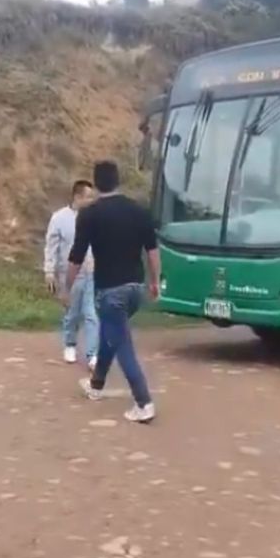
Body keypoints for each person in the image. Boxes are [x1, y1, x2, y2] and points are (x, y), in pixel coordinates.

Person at [65, 161, 159, 424]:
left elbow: (76, 257)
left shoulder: (90, 214)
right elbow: (153, 250)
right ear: (118, 181)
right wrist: (155, 281)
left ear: (95, 185)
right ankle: (96, 385)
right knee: (112, 333)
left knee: (121, 343)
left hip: (110, 291)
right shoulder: (139, 211)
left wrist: (67, 288)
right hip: (135, 290)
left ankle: (144, 403)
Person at [44, 180, 98, 369]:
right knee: (72, 313)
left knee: (91, 314)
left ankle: (92, 354)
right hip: (69, 273)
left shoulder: (95, 217)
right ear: (77, 197)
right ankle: (70, 343)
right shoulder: (59, 218)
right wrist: (49, 271)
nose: (92, 200)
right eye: (88, 197)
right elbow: (51, 247)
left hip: (92, 272)